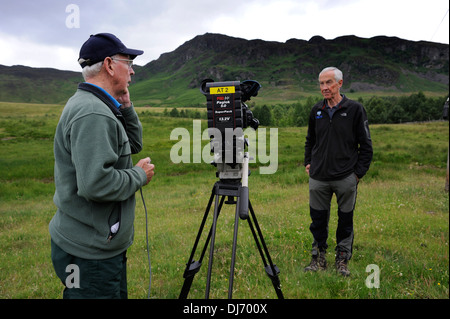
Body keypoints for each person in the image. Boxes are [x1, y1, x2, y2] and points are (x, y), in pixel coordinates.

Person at [49, 33, 155, 298]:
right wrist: (139, 175)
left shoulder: (99, 105)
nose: (132, 71)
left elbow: (131, 145)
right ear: (109, 65)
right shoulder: (93, 113)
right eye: (127, 63)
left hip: (93, 244)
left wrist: (126, 107)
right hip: (91, 252)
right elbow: (96, 184)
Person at [303, 66, 373, 276]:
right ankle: (318, 258)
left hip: (345, 178)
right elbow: (310, 140)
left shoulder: (355, 110)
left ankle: (342, 259)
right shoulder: (316, 110)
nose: (324, 87)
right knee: (317, 220)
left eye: (329, 83)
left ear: (340, 83)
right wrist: (309, 162)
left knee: (345, 220)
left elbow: (366, 145)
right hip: (319, 178)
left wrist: (357, 174)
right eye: (322, 83)